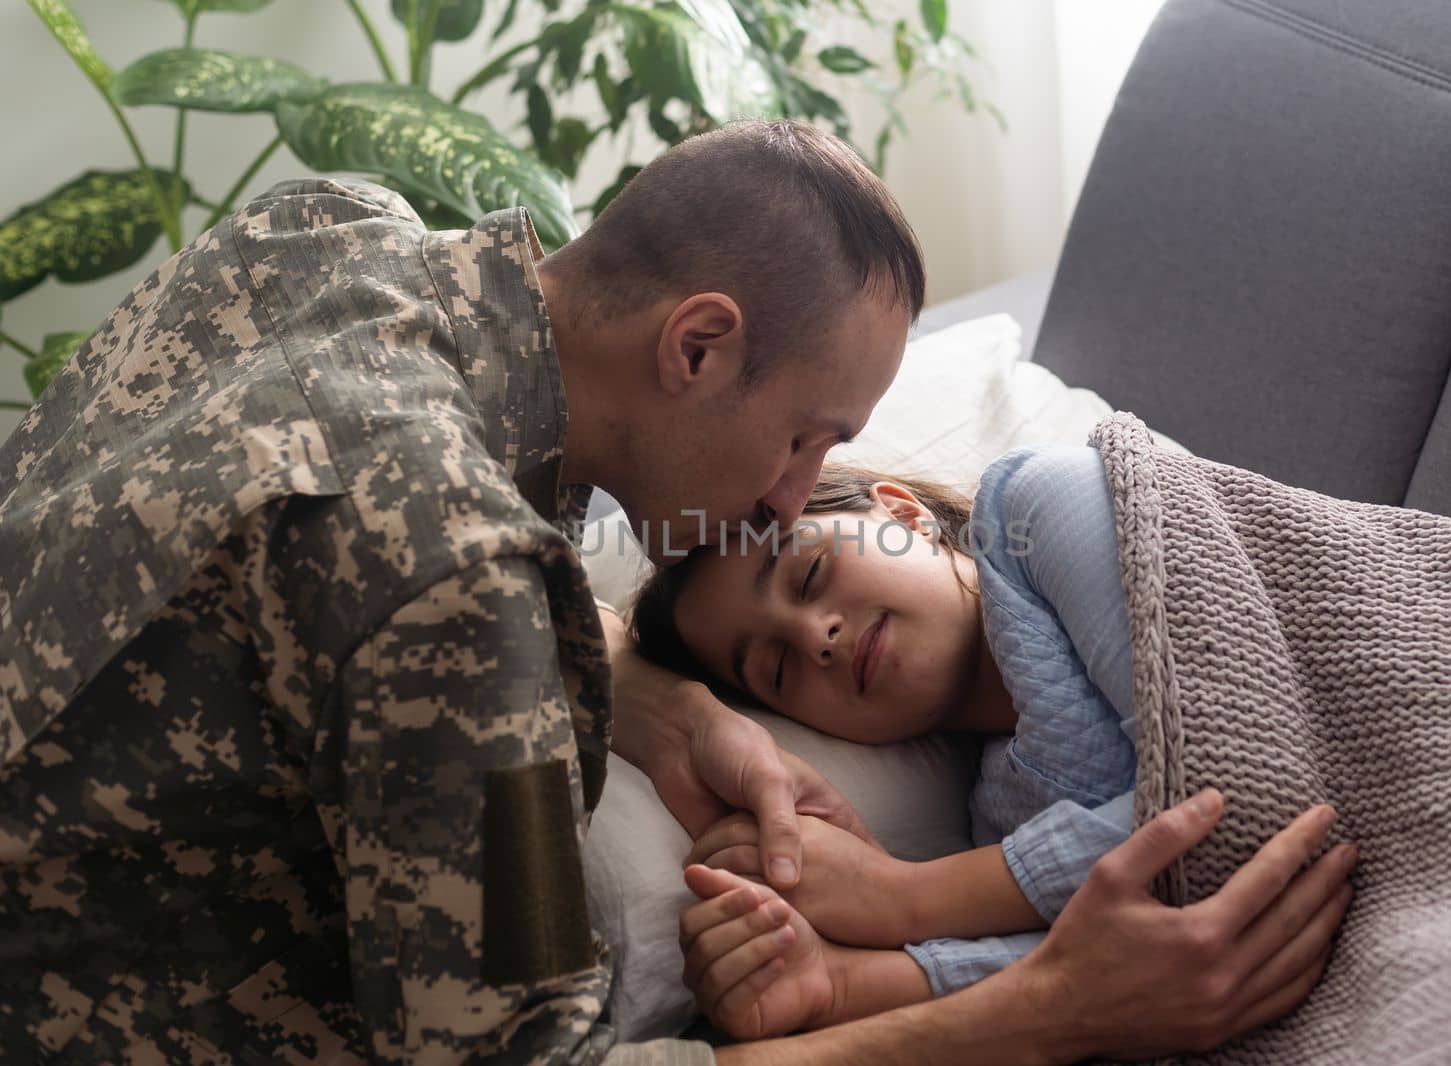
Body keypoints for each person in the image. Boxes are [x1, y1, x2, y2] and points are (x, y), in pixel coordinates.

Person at [0, 117, 1349, 1064]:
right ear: (698, 346)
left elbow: (350, 585)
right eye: (807, 434)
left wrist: (656, 704)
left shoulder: (325, 233)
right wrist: (1050, 1012)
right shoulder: (465, 588)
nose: (788, 495)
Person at [630, 446, 1355, 1044]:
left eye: (811, 573)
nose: (815, 635)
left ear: (903, 517)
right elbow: (1125, 978)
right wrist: (837, 984)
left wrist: (900, 898)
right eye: (777, 670)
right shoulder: (1000, 817)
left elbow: (1245, 785)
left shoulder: (1048, 503)